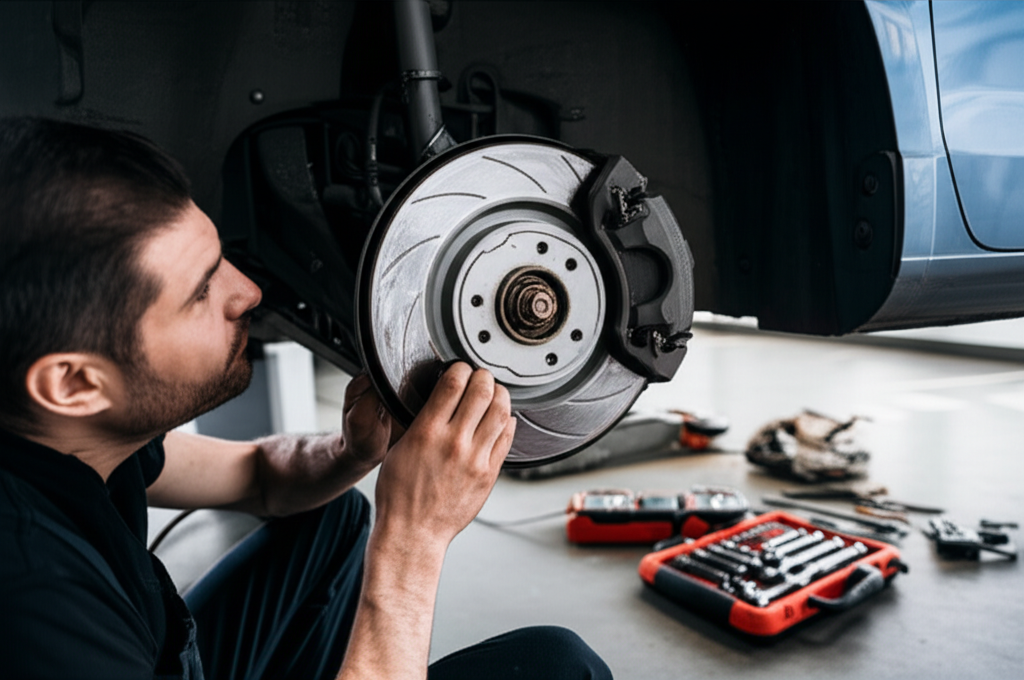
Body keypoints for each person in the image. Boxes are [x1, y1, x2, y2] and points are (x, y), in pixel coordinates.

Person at [0, 117, 613, 679]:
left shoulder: (60, 439)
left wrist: (349, 452)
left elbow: (259, 476)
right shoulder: (38, 604)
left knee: (333, 512)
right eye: (199, 292)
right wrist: (413, 539)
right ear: (74, 384)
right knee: (556, 667)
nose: (247, 293)